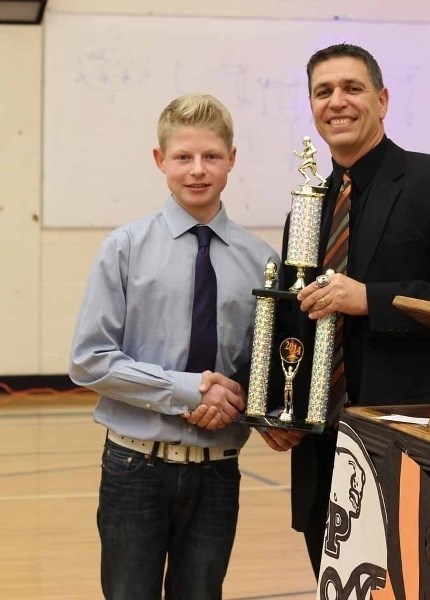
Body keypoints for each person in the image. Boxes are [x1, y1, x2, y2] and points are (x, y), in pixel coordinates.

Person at [259, 43, 430, 578]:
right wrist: (278, 410)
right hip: (322, 454)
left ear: (382, 99)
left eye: (352, 88)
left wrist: (370, 299)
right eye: (323, 91)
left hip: (411, 445)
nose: (337, 102)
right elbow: (293, 324)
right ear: (311, 106)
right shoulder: (308, 207)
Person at [69, 93, 279, 599]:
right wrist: (190, 392)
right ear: (160, 161)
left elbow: (264, 365)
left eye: (211, 156)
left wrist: (240, 398)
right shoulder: (123, 248)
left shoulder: (263, 262)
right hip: (134, 469)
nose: (197, 170)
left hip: (217, 473)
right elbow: (89, 360)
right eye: (183, 157)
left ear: (232, 158)